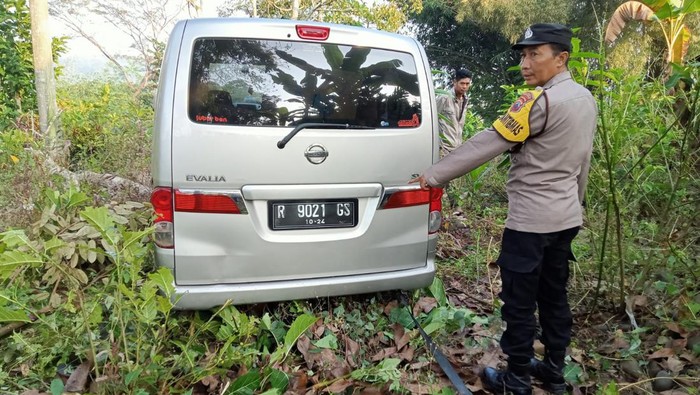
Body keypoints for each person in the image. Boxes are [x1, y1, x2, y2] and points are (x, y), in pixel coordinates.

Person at [410, 23, 597, 394]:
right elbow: (583, 163)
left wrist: (433, 175)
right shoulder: (585, 99)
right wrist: (576, 205)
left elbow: (489, 142)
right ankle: (554, 373)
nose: (526, 63)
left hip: (530, 223)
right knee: (554, 296)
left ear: (561, 59)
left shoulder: (537, 102)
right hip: (565, 218)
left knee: (519, 302)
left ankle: (516, 380)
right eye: (524, 55)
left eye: (535, 54)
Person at [437, 68, 473, 155]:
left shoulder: (465, 100)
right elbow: (432, 120)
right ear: (455, 82)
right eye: (462, 83)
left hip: (457, 149)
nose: (464, 87)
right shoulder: (444, 98)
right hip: (443, 149)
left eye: (467, 84)